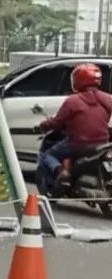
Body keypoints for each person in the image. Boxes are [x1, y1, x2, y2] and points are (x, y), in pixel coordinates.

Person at [35, 63, 112, 195]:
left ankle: (62, 172)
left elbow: (57, 121)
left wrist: (43, 125)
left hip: (78, 144)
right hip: (102, 143)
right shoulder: (108, 98)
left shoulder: (72, 101)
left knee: (48, 155)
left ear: (77, 80)